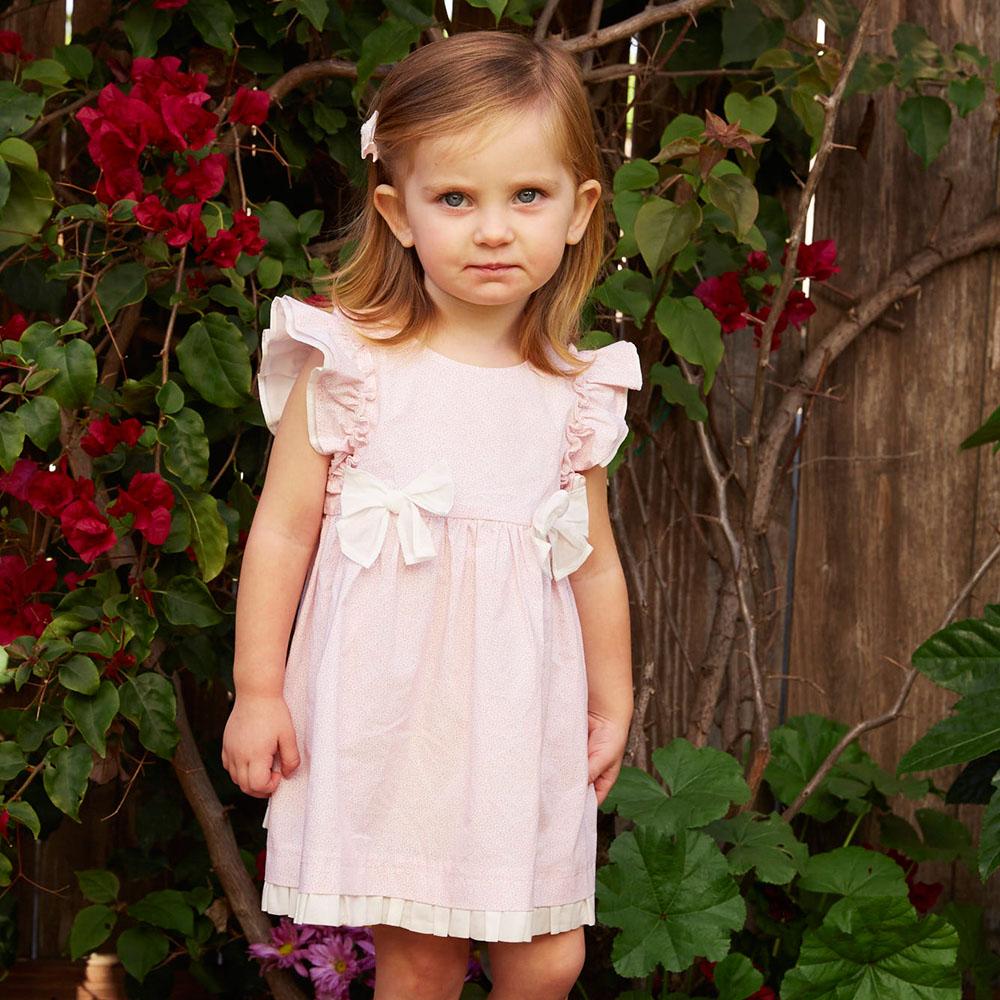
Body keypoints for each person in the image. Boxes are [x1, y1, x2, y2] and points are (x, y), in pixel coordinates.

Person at [222, 29, 642, 1000]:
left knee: (551, 956)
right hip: (394, 718)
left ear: (579, 210)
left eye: (526, 195)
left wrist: (614, 699)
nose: (493, 229)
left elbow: (592, 560)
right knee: (421, 960)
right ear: (398, 212)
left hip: (520, 723)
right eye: (455, 198)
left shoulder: (575, 392)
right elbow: (281, 532)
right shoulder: (351, 367)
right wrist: (257, 688)